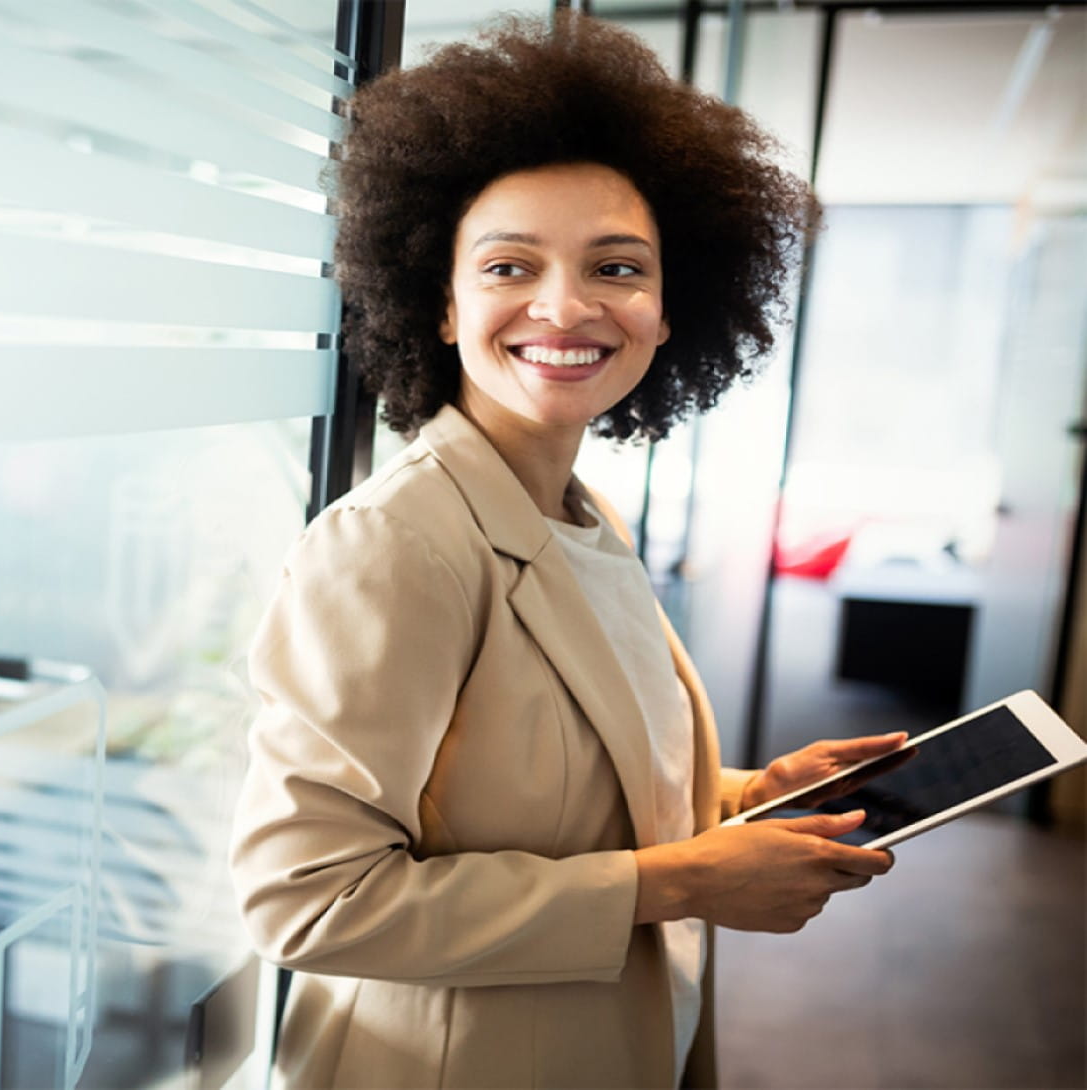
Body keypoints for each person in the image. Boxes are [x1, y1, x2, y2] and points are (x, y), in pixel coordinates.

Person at [228, 13, 907, 1089]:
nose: (564, 305)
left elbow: (555, 795)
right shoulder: (393, 546)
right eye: (507, 265)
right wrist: (678, 882)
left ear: (666, 308)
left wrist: (741, 799)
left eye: (616, 266)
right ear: (440, 305)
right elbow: (306, 898)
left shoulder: (581, 514)